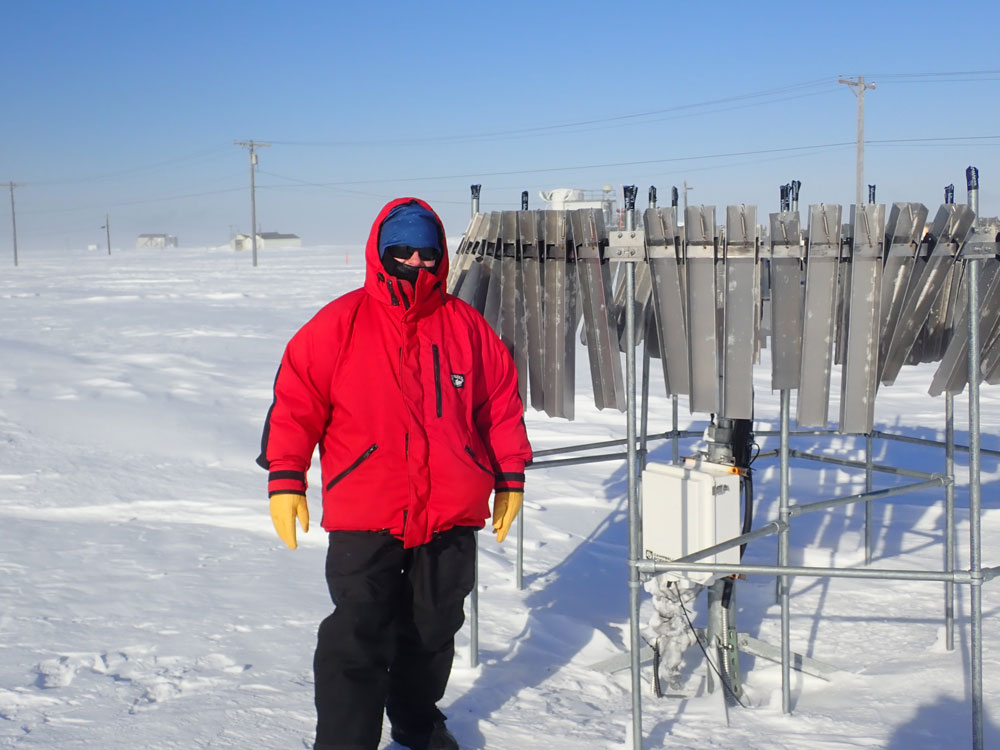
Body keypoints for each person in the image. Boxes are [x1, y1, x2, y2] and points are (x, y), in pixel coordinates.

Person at [257, 197, 532, 750]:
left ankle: (415, 719)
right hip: (367, 509)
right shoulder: (339, 324)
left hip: (450, 510)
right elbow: (294, 403)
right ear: (380, 253)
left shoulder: (466, 328)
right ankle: (344, 741)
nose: (416, 262)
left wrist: (510, 477)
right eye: (401, 250)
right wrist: (287, 478)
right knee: (357, 633)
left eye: (427, 252)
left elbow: (499, 407)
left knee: (433, 630)